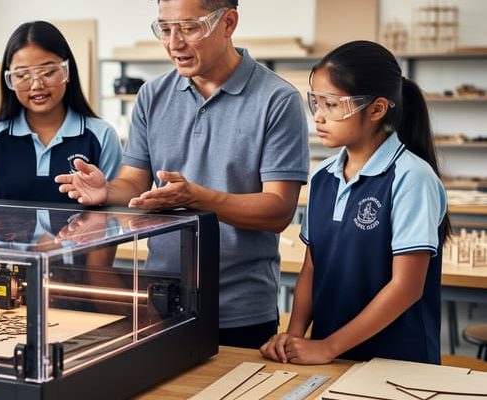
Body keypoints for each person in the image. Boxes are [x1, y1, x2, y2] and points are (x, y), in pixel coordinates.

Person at [55, 0, 310, 349]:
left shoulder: (277, 99)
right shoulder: (151, 95)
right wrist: (106, 191)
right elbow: (133, 182)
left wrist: (198, 198)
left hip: (239, 311)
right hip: (162, 299)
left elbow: (278, 210)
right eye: (164, 28)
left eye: (189, 28)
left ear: (229, 23)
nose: (174, 43)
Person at [260, 41, 449, 365]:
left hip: (397, 362)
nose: (318, 117)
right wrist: (294, 335)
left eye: (332, 105)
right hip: (331, 359)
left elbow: (406, 287)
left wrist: (328, 347)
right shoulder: (323, 177)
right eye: (315, 103)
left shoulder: (411, 178)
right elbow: (312, 267)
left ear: (376, 109)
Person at [0, 21, 121, 203]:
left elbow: (116, 211)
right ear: (9, 80)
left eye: (47, 73)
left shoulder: (102, 136)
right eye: (22, 75)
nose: (37, 85)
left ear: (67, 72)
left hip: (86, 233)